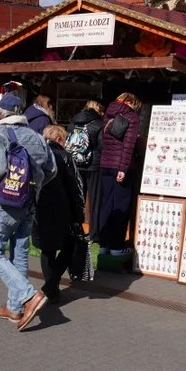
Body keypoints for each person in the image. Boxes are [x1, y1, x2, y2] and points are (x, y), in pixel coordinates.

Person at [0, 94, 57, 331]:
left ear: (1, 114)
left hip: (8, 203)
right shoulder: (35, 135)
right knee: (19, 253)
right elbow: (51, 169)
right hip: (30, 203)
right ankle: (14, 308)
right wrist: (36, 188)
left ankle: (29, 296)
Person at [34, 125, 86, 303]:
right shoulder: (64, 157)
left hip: (39, 207)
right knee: (69, 245)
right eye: (64, 140)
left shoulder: (37, 154)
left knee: (47, 250)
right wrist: (79, 214)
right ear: (58, 139)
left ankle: (52, 288)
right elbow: (75, 187)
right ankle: (50, 285)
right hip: (60, 208)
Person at [95, 93, 142, 255]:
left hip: (105, 165)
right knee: (121, 206)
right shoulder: (131, 116)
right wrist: (123, 168)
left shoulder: (108, 114)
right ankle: (116, 246)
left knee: (106, 204)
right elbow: (128, 145)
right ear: (132, 103)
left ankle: (104, 245)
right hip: (120, 167)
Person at [67, 100, 105, 255]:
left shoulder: (73, 121)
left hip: (76, 164)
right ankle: (95, 234)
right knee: (95, 201)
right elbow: (102, 146)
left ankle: (75, 229)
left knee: (77, 199)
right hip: (93, 166)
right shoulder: (98, 124)